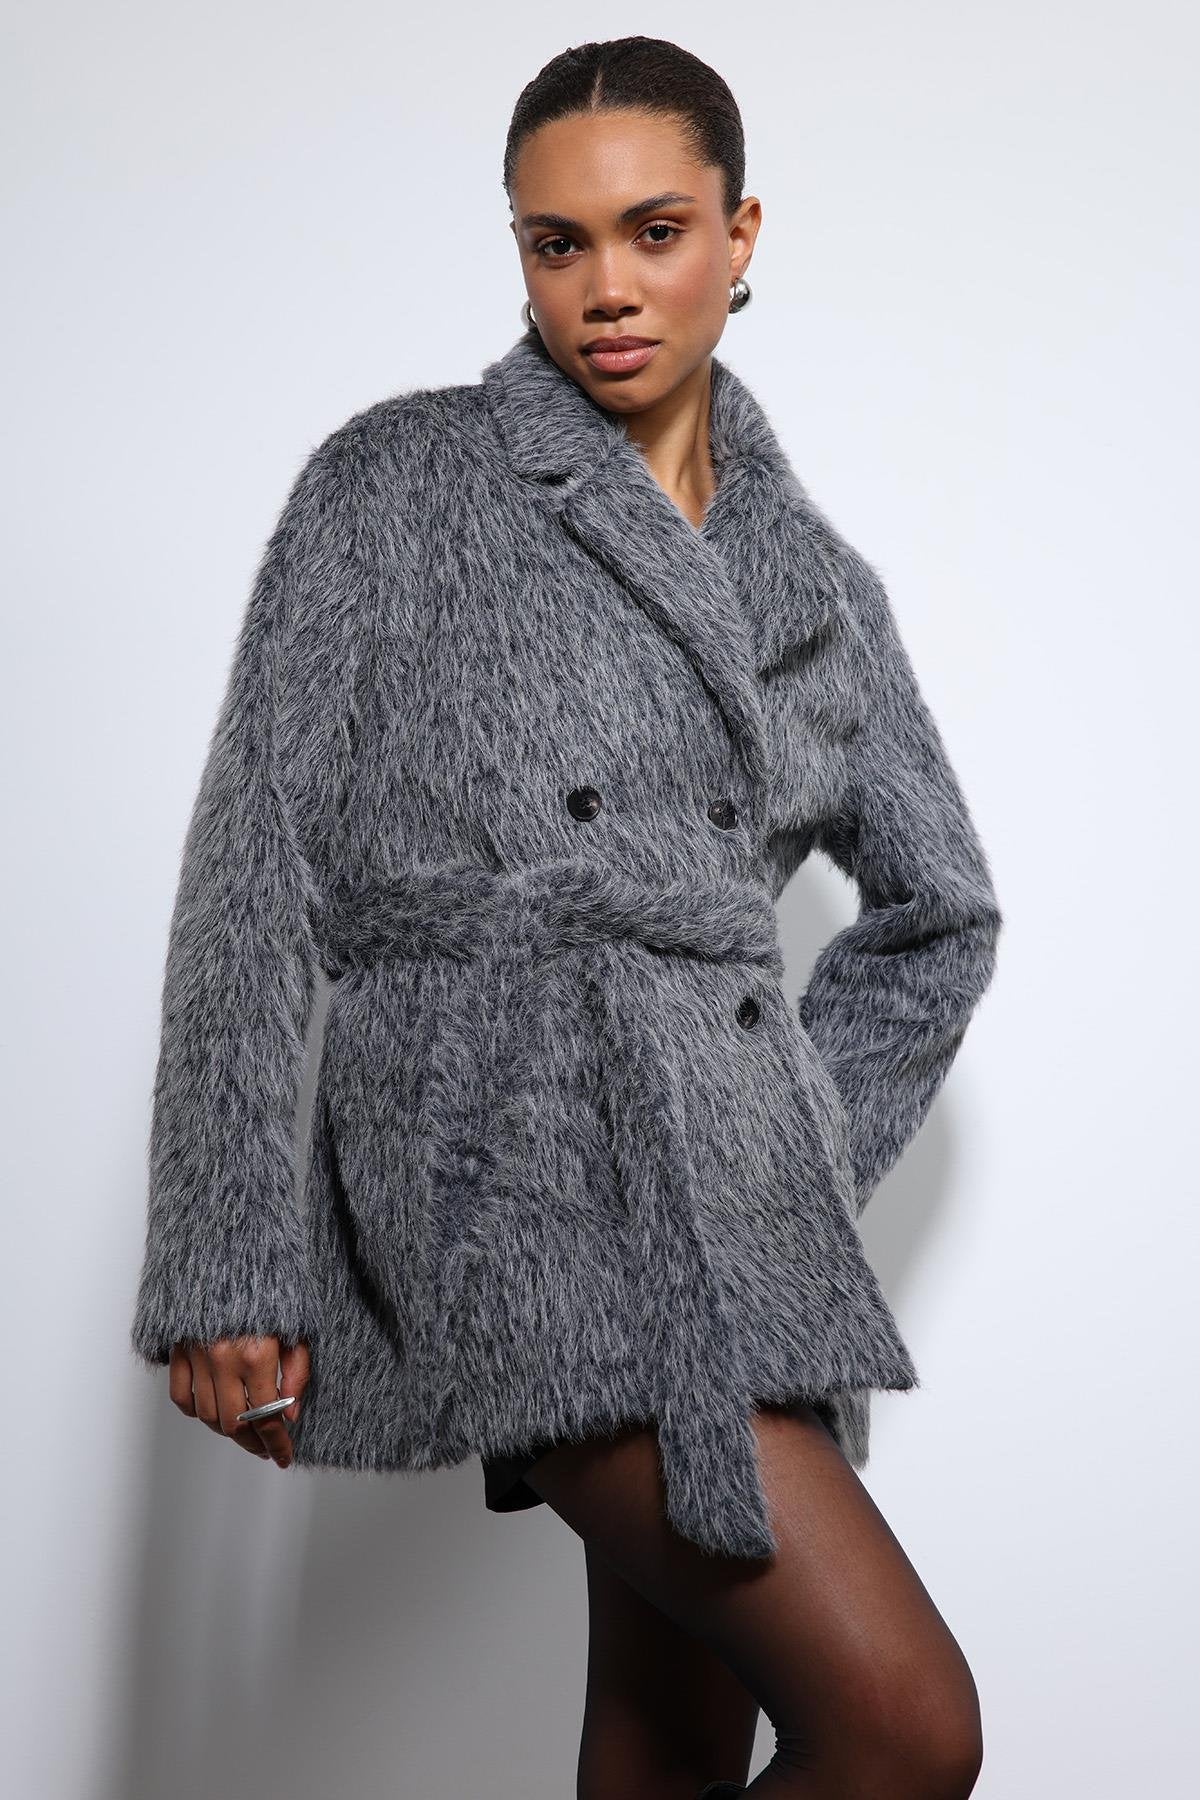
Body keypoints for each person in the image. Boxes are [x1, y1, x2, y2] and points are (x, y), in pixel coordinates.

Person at [129, 34, 1002, 1800]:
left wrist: (788, 1145)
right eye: (557, 242)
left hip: (732, 1209)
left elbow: (943, 910)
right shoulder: (397, 483)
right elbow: (252, 866)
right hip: (502, 1164)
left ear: (740, 236)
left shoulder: (815, 583)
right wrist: (225, 1255)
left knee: (672, 1745)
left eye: (655, 230)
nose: (606, 287)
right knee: (905, 1729)